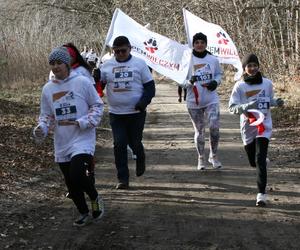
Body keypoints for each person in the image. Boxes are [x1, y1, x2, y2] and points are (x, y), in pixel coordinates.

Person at [33, 47, 105, 226]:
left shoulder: (81, 82)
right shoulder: (48, 88)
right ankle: (83, 212)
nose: (55, 67)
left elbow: (97, 106)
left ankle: (95, 197)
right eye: (52, 64)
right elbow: (47, 115)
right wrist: (41, 127)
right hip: (62, 139)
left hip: (82, 137)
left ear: (67, 64)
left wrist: (83, 121)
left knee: (77, 173)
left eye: (59, 63)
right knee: (70, 181)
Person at [100, 36, 155, 189]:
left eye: (123, 50)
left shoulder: (139, 64)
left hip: (136, 112)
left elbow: (150, 87)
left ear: (130, 48)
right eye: (116, 51)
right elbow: (98, 89)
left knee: (134, 142)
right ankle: (123, 178)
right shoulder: (106, 66)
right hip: (116, 113)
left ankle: (140, 156)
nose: (120, 54)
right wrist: (96, 78)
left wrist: (143, 102)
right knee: (119, 144)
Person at [229, 53, 284, 206]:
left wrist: (276, 102)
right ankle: (260, 162)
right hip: (248, 127)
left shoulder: (267, 83)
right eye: (249, 66)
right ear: (244, 69)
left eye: (255, 65)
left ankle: (261, 194)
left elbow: (269, 100)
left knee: (260, 159)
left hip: (264, 126)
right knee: (254, 161)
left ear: (258, 66)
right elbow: (232, 108)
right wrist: (247, 106)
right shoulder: (239, 86)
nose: (252, 68)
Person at [179, 32, 223, 170]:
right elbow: (180, 81)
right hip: (194, 101)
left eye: (202, 42)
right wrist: (189, 82)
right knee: (200, 132)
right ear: (193, 44)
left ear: (206, 44)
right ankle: (201, 158)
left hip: (211, 99)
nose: (199, 45)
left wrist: (215, 82)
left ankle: (214, 156)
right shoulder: (187, 60)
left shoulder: (213, 59)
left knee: (214, 128)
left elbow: (218, 74)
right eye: (197, 42)